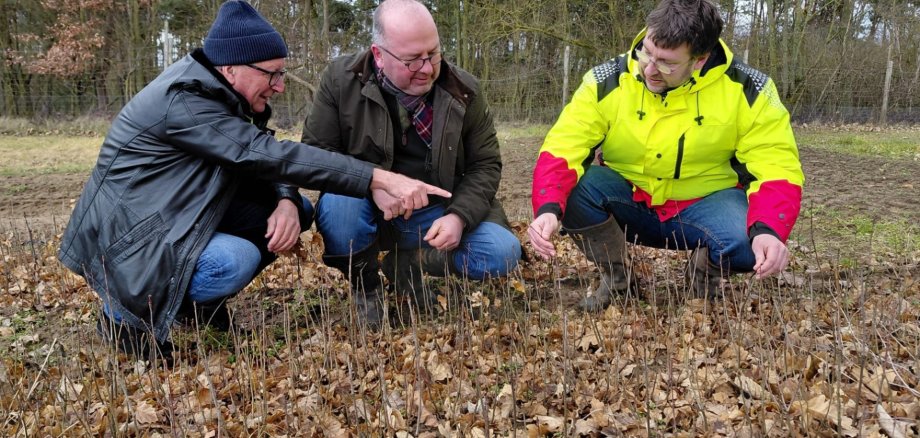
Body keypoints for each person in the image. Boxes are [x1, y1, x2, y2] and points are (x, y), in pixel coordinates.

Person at [58, 0, 449, 360]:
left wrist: (286, 201)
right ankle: (123, 319)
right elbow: (264, 153)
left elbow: (260, 154)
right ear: (232, 68)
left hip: (176, 215)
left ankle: (198, 308)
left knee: (299, 210)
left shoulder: (221, 91)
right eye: (272, 74)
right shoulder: (185, 102)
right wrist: (377, 178)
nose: (280, 86)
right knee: (233, 261)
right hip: (132, 241)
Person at [528, 0, 804, 310]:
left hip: (705, 205)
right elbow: (564, 146)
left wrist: (769, 229)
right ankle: (618, 281)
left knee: (747, 244)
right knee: (573, 191)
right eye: (646, 52)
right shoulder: (606, 80)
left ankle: (702, 278)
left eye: (666, 63)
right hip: (629, 198)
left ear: (700, 60)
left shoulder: (751, 90)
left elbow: (776, 165)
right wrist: (548, 208)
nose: (649, 69)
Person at [302, 0, 521, 327]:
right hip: (372, 213)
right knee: (339, 209)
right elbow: (314, 155)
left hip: (438, 213)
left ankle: (408, 264)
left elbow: (486, 165)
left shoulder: (464, 90)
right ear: (379, 55)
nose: (427, 68)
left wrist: (459, 217)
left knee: (502, 251)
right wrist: (372, 183)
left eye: (433, 53)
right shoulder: (340, 81)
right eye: (412, 60)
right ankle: (366, 285)